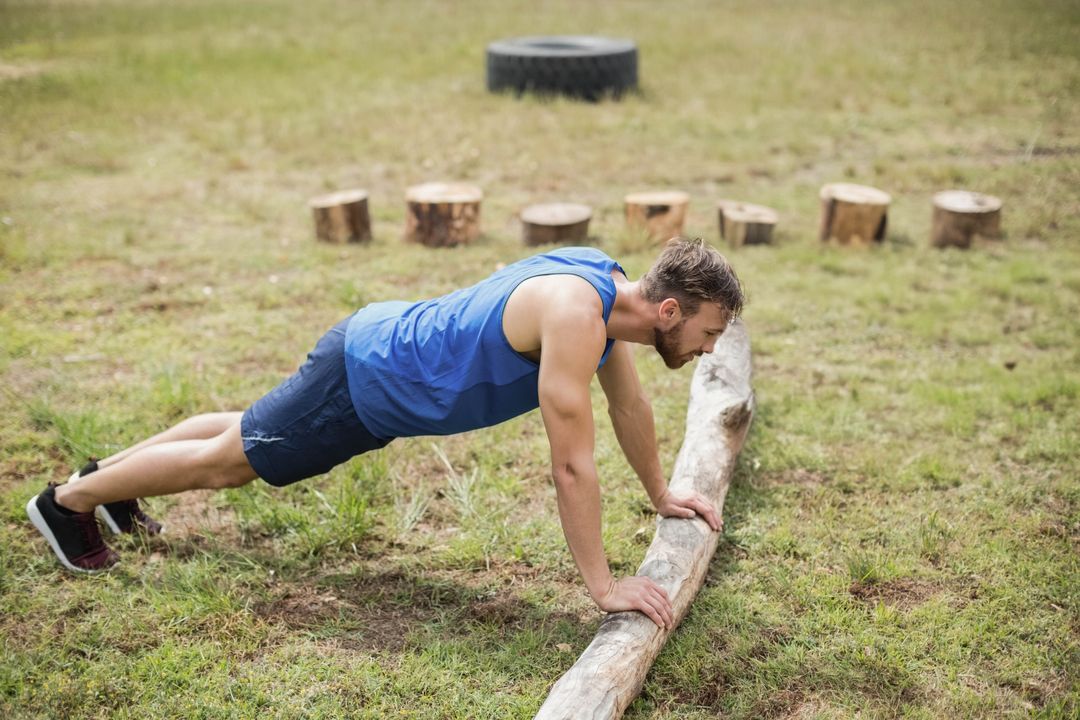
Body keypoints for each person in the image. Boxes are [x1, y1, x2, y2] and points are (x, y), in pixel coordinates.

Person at [27, 237, 743, 630]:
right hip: (371, 384)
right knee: (233, 463)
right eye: (709, 334)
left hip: (377, 344)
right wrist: (602, 587)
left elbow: (628, 407)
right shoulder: (574, 319)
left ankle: (109, 481)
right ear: (672, 310)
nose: (710, 351)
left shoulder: (602, 281)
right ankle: (71, 502)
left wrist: (661, 493)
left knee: (245, 429)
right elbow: (572, 469)